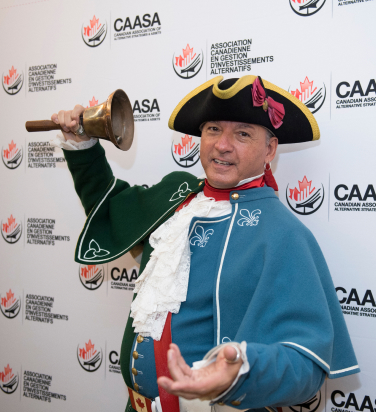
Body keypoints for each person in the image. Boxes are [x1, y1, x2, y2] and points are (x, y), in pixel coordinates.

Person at [51, 75, 359, 412]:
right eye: (213, 129)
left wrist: (242, 367)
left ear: (270, 148)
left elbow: (306, 364)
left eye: (242, 134)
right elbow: (112, 211)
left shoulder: (283, 233)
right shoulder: (177, 194)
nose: (222, 145)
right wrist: (82, 146)